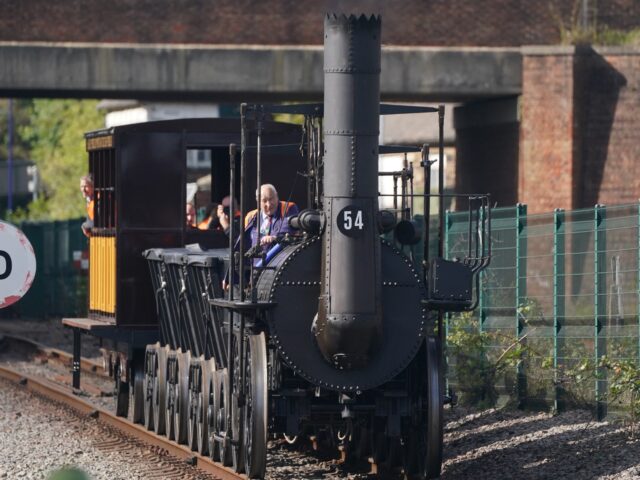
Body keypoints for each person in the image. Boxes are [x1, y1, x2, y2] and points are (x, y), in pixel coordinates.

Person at [243, 184, 298, 249]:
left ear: (277, 196)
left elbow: (287, 230)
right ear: (258, 202)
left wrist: (274, 238)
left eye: (271, 199)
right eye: (264, 201)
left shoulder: (288, 208)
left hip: (279, 257)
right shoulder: (251, 216)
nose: (268, 204)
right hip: (256, 258)